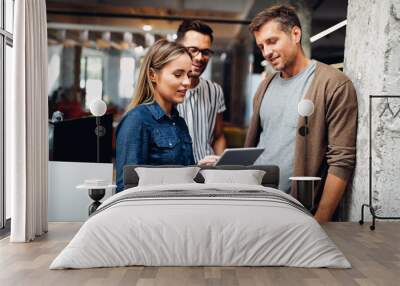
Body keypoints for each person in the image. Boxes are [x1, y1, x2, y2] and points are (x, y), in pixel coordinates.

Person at [245, 5, 358, 223]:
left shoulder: (333, 84)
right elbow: (258, 144)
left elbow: (342, 161)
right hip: (258, 204)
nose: (266, 52)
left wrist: (321, 220)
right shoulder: (265, 86)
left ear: (295, 34)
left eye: (272, 41)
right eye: (261, 46)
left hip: (300, 211)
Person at [115, 39, 195, 193]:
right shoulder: (136, 120)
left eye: (189, 75)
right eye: (178, 74)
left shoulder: (179, 122)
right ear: (153, 75)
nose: (187, 82)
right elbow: (126, 188)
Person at [176, 20, 226, 164]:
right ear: (178, 48)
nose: (199, 57)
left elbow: (218, 135)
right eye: (193, 50)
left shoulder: (215, 90)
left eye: (205, 52)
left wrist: (221, 164)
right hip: (177, 174)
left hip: (208, 173)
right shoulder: (165, 91)